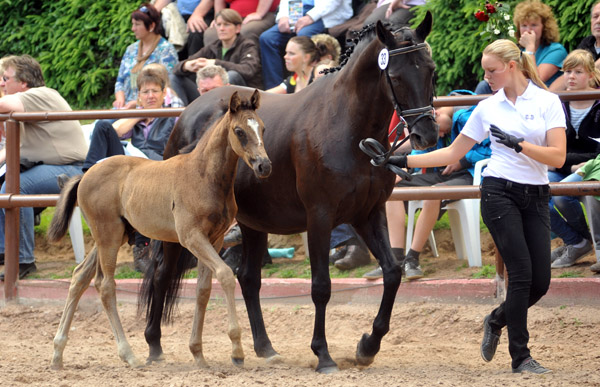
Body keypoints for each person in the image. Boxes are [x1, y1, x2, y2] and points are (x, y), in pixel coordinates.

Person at [382, 39, 566, 373]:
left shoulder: (547, 101)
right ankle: (521, 357)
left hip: (536, 194)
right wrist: (400, 159)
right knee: (522, 274)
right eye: (485, 71)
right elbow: (453, 153)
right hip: (499, 192)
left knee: (541, 282)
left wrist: (521, 146)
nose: (487, 77)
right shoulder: (487, 107)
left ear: (512, 67)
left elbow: (558, 155)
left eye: (492, 71)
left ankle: (496, 320)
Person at [363, 98, 491, 280]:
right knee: (394, 189)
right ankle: (395, 258)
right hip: (441, 172)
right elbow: (420, 152)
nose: (439, 136)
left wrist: (463, 160)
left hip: (468, 173)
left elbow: (490, 148)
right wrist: (401, 172)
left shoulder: (469, 115)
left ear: (436, 114)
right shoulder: (430, 120)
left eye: (439, 131)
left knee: (433, 192)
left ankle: (412, 258)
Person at [0, 55, 88, 280]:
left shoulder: (40, 95)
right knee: (6, 183)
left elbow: (2, 104)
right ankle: (3, 252)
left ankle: (23, 261)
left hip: (72, 171)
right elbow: (10, 150)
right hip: (51, 168)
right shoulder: (25, 106)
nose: (1, 83)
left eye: (5, 78)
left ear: (23, 83)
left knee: (15, 187)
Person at [82, 65, 178, 272]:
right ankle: (86, 177)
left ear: (164, 94)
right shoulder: (136, 119)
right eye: (145, 92)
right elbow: (115, 131)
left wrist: (154, 112)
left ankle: (142, 249)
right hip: (131, 167)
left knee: (144, 190)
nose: (150, 96)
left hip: (158, 171)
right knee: (102, 127)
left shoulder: (173, 116)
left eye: (155, 91)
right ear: (139, 96)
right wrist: (138, 113)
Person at [548, 49, 600, 269]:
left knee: (562, 194)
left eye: (577, 72)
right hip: (564, 165)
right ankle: (576, 241)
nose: (570, 76)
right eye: (567, 71)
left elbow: (597, 152)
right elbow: (551, 146)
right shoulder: (558, 104)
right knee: (534, 190)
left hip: (592, 168)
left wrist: (578, 164)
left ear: (590, 75)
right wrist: (569, 163)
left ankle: (582, 244)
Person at [171, 9, 262, 105]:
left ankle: (221, 111)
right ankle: (182, 115)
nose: (221, 28)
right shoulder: (213, 47)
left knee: (232, 75)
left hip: (244, 98)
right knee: (174, 78)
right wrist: (186, 65)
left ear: (238, 28)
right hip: (210, 95)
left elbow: (248, 70)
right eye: (218, 25)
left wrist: (215, 63)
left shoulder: (248, 45)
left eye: (226, 24)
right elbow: (175, 69)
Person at [475, 0, 567, 95]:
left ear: (544, 27)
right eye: (524, 25)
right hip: (514, 93)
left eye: (534, 25)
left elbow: (536, 80)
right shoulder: (517, 50)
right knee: (484, 86)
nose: (528, 30)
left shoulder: (556, 50)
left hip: (537, 97)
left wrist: (530, 48)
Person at [259, 0, 353, 89]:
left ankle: (300, 86)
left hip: (325, 14)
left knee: (303, 38)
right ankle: (275, 88)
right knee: (267, 38)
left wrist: (310, 17)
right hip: (296, 12)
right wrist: (283, 16)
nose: (286, 57)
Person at [114, 3, 178, 109]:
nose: (133, 28)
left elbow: (166, 85)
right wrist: (120, 99)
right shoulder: (131, 49)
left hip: (149, 108)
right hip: (125, 107)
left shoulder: (166, 50)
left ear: (151, 26)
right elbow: (120, 81)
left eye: (137, 24)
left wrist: (137, 103)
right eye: (133, 24)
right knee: (101, 123)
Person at [550, 1, 600, 92]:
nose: (598, 21)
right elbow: (571, 70)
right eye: (595, 17)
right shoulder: (587, 42)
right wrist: (549, 96)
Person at [205, 0, 280, 46]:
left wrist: (259, 13)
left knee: (246, 31)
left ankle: (246, 68)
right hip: (233, 16)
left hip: (264, 14)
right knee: (211, 33)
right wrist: (219, 17)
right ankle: (215, 69)